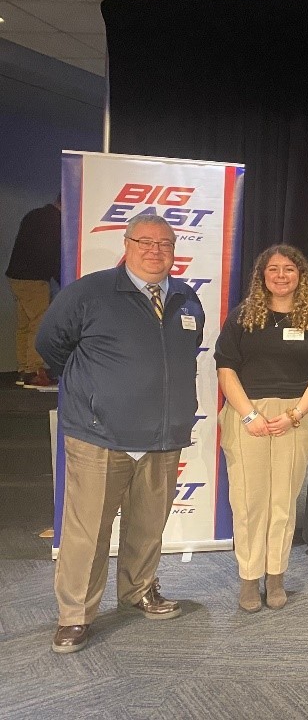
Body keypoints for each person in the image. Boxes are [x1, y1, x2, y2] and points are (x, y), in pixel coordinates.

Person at [36, 214, 204, 653]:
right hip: (99, 437)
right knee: (86, 533)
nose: (155, 250)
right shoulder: (90, 292)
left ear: (174, 250)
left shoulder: (186, 298)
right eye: (145, 242)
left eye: (165, 244)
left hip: (163, 437)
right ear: (126, 245)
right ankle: (75, 616)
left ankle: (138, 590)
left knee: (147, 527)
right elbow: (50, 344)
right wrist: (93, 395)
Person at [215, 245, 308, 611]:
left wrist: (295, 414)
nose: (281, 275)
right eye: (273, 269)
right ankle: (249, 579)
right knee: (249, 500)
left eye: (289, 269)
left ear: (301, 275)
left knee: (283, 500)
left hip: (296, 416)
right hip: (246, 413)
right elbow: (225, 368)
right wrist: (249, 415)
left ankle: (276, 575)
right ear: (261, 276)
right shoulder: (242, 317)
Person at [7, 193, 61, 388]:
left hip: (15, 275)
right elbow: (51, 255)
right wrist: (63, 278)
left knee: (25, 323)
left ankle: (24, 370)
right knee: (38, 323)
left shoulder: (34, 214)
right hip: (34, 278)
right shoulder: (55, 221)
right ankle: (33, 372)